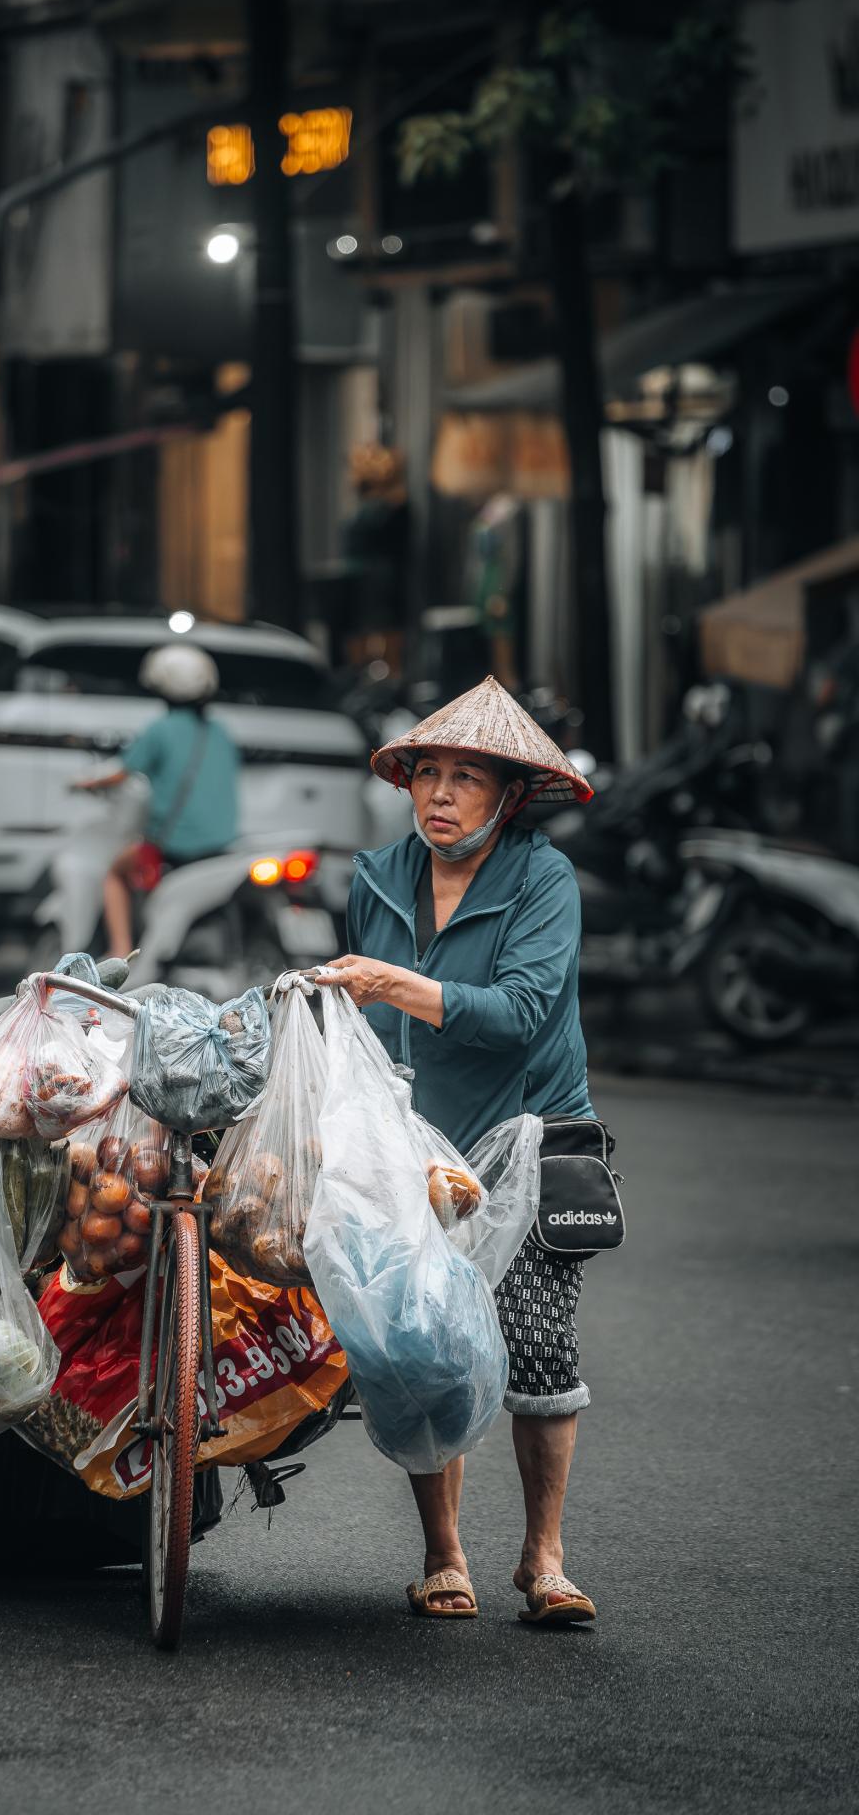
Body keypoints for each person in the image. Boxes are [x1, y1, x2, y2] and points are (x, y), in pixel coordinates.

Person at [318, 674, 600, 1627]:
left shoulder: (541, 879)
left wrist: (395, 983)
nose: (440, 795)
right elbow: (360, 1022)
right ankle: (445, 1556)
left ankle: (545, 1560)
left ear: (508, 795)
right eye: (427, 774)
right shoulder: (379, 875)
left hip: (528, 1131)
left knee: (537, 1347)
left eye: (465, 777)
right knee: (424, 1345)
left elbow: (521, 1016)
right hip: (413, 1140)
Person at [71, 642, 239, 957]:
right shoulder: (220, 732)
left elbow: (120, 772)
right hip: (221, 847)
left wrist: (83, 782)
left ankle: (120, 954)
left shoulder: (161, 729)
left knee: (115, 873)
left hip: (172, 847)